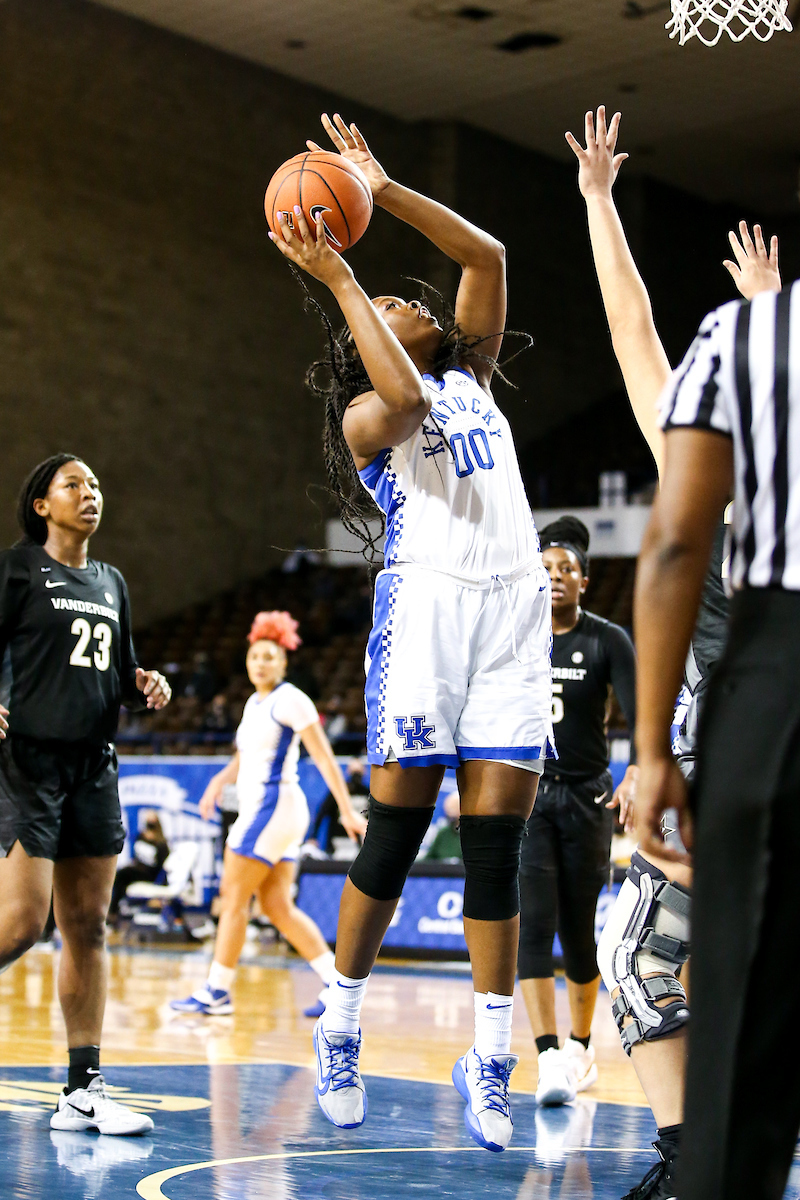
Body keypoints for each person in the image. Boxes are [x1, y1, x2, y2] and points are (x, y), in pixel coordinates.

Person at [270, 111, 554, 1151]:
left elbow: (486, 253)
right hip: (429, 601)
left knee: (493, 845)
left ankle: (489, 1057)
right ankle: (339, 1023)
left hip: (512, 602)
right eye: (385, 299)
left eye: (400, 294)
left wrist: (377, 189)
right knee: (394, 832)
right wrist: (341, 280)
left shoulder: (472, 379)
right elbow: (391, 382)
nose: (403, 296)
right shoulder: (368, 420)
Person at [565, 106, 782, 1199]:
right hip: (723, 739)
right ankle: (677, 1157)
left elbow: (639, 341)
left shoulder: (726, 472)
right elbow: (631, 333)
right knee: (639, 961)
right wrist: (601, 204)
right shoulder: (738, 428)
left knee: (653, 961)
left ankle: (692, 1161)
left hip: (733, 742)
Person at [634, 280, 800, 1200]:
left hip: (778, 690)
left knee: (743, 1058)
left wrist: (652, 750)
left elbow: (671, 544)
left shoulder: (746, 335)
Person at [0, 453, 171, 1136]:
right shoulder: (15, 570)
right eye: (74, 484)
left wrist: (144, 684)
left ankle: (82, 1090)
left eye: (96, 484)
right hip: (28, 766)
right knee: (19, 925)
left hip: (95, 767)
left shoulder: (111, 581)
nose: (90, 493)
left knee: (88, 927)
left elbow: (118, 666)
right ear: (42, 504)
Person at [170, 611, 367, 1020]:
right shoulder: (253, 703)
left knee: (232, 897)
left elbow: (323, 755)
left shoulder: (290, 698)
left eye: (269, 656)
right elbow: (244, 757)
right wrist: (217, 783)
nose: (261, 662)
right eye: (255, 655)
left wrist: (346, 808)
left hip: (272, 808)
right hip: (273, 811)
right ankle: (337, 986)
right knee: (276, 905)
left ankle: (216, 991)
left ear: (283, 662)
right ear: (247, 661)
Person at [519, 515, 637, 1106]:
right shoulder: (515, 635)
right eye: (545, 569)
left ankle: (581, 1046)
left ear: (584, 581)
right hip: (532, 797)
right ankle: (545, 1058)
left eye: (567, 569)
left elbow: (643, 718)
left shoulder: (608, 639)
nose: (556, 577)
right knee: (533, 928)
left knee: (578, 933)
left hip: (589, 798)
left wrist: (638, 768)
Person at [108, 810, 169, 919]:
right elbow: (136, 857)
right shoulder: (141, 836)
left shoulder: (161, 843)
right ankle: (115, 909)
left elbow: (163, 866)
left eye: (151, 820)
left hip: (149, 874)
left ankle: (112, 912)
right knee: (120, 877)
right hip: (137, 869)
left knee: (123, 874)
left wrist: (161, 887)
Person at [307, 758, 369, 856]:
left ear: (364, 771)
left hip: (360, 843)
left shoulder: (368, 793)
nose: (356, 774)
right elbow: (321, 813)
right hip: (337, 842)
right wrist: (313, 837)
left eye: (358, 770)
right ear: (348, 771)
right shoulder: (339, 793)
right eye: (354, 770)